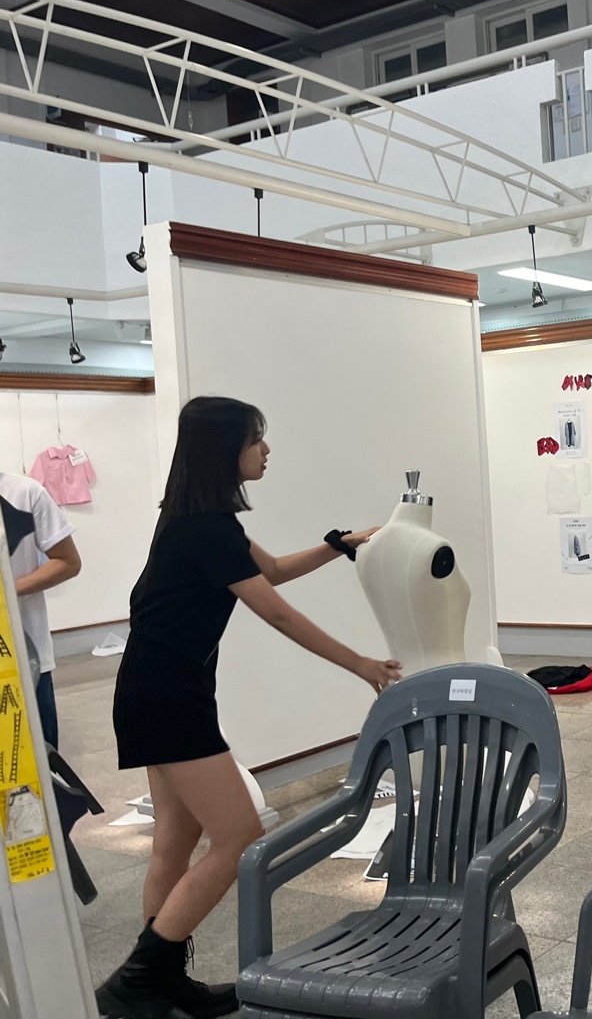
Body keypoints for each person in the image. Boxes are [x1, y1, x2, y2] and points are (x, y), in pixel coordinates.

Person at [98, 397, 402, 1019]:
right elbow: (277, 612)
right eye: (255, 440)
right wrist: (362, 664)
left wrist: (339, 545)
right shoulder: (204, 528)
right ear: (224, 451)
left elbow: (274, 571)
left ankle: (160, 983)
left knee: (175, 842)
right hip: (169, 700)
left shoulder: (198, 520)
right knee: (239, 837)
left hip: (157, 692)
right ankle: (139, 980)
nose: (265, 451)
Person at [0, 470, 82, 748]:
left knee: (37, 758)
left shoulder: (25, 493)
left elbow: (68, 562)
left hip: (25, 657)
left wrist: (6, 591)